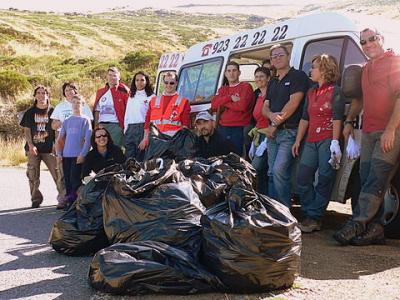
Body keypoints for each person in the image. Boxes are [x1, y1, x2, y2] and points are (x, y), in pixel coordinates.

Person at [334, 28, 400, 246]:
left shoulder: (394, 62)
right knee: (366, 177)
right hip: (369, 132)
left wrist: (391, 129)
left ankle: (357, 223)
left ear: (382, 38)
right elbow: (359, 100)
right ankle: (377, 229)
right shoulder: (367, 68)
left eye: (372, 39)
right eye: (363, 41)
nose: (368, 44)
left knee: (377, 178)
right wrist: (349, 121)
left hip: (390, 131)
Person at [292, 54, 345, 233]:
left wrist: (335, 142)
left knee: (324, 179)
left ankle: (314, 218)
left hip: (328, 139)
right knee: (302, 178)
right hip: (311, 140)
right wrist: (298, 140)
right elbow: (305, 118)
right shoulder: (311, 91)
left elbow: (337, 117)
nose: (310, 70)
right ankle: (310, 212)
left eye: (314, 67)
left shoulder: (335, 90)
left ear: (324, 69)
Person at [262, 44, 310, 207]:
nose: (277, 58)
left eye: (280, 55)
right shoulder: (273, 82)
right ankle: (272, 210)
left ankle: (284, 211)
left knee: (279, 171)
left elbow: (293, 103)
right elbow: (264, 107)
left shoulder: (298, 76)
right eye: (273, 56)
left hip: (288, 132)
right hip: (272, 134)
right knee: (271, 172)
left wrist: (274, 124)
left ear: (288, 56)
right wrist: (270, 116)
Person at [19, 85, 64, 208]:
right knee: (33, 175)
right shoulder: (30, 112)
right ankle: (35, 199)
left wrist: (56, 144)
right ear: (35, 96)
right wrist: (30, 145)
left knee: (58, 174)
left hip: (49, 149)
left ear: (47, 95)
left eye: (43, 93)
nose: (41, 95)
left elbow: (57, 129)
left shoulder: (53, 111)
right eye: (38, 93)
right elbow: (27, 131)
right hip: (33, 149)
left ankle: (63, 198)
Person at [51, 82, 93, 207]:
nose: (76, 105)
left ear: (82, 105)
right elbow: (59, 139)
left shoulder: (85, 120)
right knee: (68, 181)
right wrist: (59, 153)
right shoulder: (67, 121)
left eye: (78, 103)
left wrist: (83, 154)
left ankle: (77, 203)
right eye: (74, 103)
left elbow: (88, 139)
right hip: (66, 155)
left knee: (76, 180)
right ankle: (69, 202)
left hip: (78, 156)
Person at [211, 61, 255, 156]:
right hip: (222, 128)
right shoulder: (223, 89)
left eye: (234, 70)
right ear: (225, 74)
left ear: (239, 73)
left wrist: (224, 103)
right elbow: (214, 105)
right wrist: (230, 98)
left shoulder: (246, 87)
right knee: (222, 157)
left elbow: (242, 106)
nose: (231, 73)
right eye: (229, 71)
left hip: (239, 128)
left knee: (237, 159)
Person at [139, 72, 191, 149]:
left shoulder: (183, 101)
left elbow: (185, 126)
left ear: (176, 83)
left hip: (172, 142)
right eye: (166, 82)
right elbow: (147, 122)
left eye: (171, 83)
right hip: (155, 141)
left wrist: (181, 143)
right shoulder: (153, 100)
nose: (168, 85)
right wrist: (145, 139)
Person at [248, 66, 271, 195]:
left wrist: (266, 141)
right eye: (256, 77)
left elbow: (271, 118)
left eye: (262, 76)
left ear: (268, 78)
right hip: (258, 136)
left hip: (268, 135)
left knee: (255, 168)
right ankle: (262, 197)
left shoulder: (271, 95)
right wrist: (254, 143)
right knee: (261, 173)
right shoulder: (259, 96)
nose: (259, 79)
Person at [93, 66, 129, 148]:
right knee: (102, 150)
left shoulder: (124, 91)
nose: (112, 77)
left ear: (119, 77)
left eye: (114, 75)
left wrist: (123, 127)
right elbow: (97, 111)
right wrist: (96, 126)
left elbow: (128, 110)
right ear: (107, 76)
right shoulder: (101, 92)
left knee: (115, 149)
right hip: (102, 126)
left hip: (116, 126)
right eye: (110, 75)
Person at [124, 71, 154, 161]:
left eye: (142, 80)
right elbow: (127, 114)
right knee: (129, 158)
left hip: (143, 128)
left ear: (146, 81)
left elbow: (151, 117)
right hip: (130, 129)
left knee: (142, 156)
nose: (139, 83)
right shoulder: (131, 96)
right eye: (137, 80)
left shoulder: (151, 97)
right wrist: (126, 129)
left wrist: (147, 136)